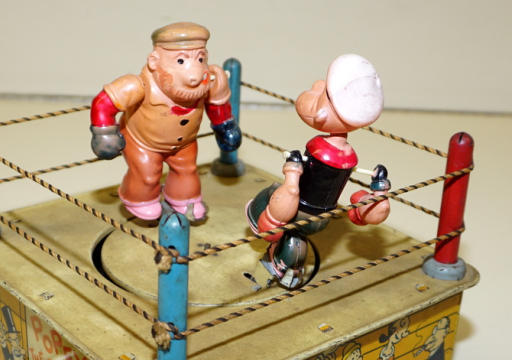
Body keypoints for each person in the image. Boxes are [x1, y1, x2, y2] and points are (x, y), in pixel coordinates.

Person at [246, 54, 391, 288]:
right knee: (294, 237)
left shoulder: (321, 150)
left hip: (298, 212)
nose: (317, 87)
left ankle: (267, 242)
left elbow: (293, 190)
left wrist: (293, 169)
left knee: (273, 196)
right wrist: (378, 186)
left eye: (326, 94)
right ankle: (287, 268)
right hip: (324, 217)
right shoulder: (348, 156)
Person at [90, 22, 241, 221]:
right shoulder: (137, 86)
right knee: (147, 175)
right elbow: (103, 103)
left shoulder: (212, 80)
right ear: (154, 61)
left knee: (187, 170)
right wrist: (105, 132)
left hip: (184, 143)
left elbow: (217, 106)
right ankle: (138, 199)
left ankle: (184, 199)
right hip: (142, 142)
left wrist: (225, 126)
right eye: (180, 61)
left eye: (200, 59)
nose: (195, 75)